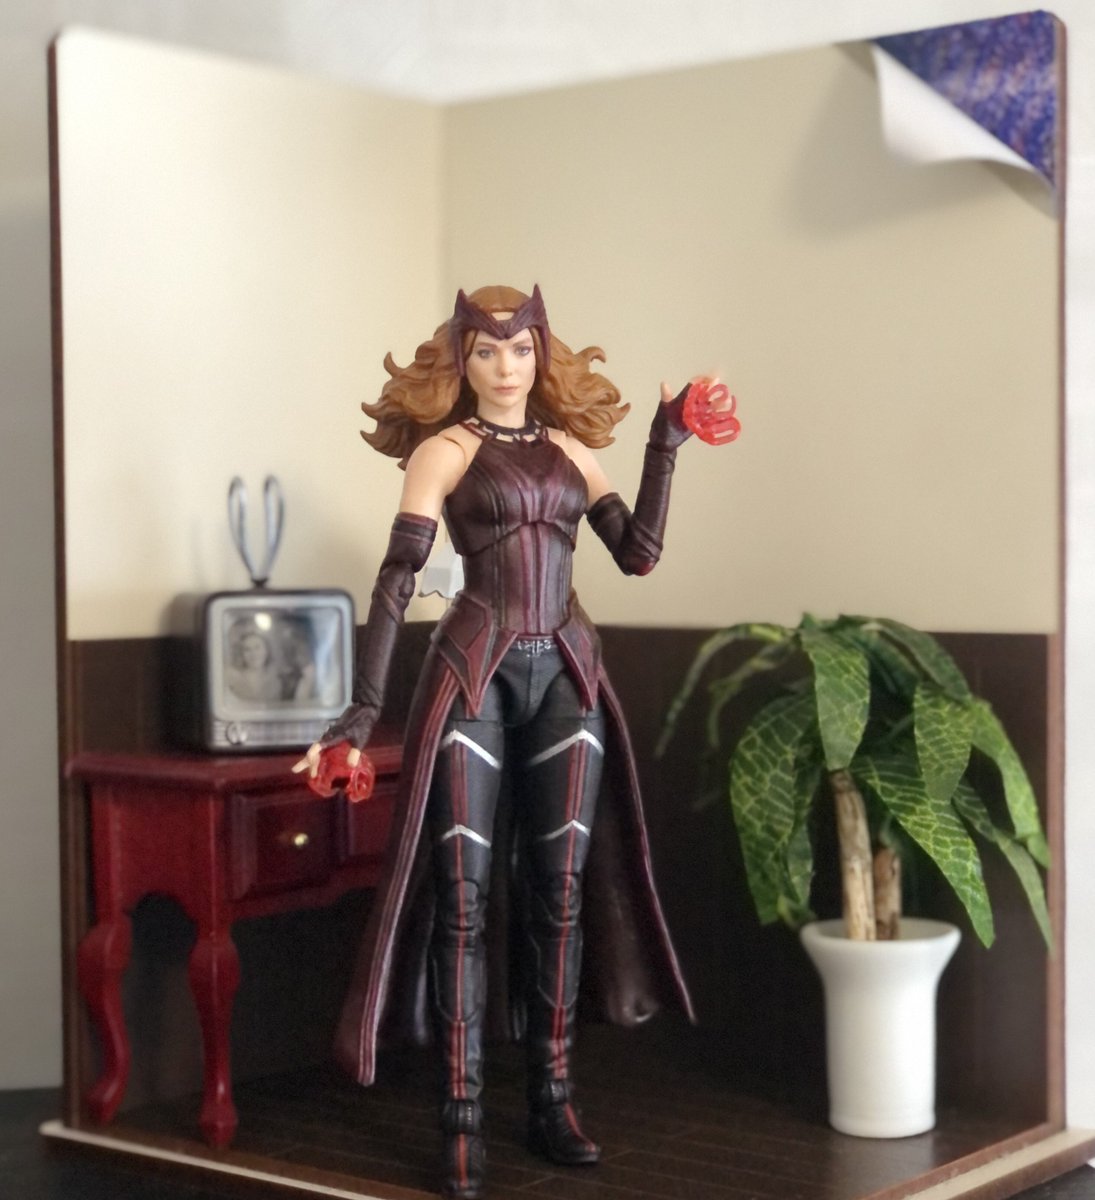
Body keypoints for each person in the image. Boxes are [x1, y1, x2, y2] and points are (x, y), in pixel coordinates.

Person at [296, 284, 696, 1200]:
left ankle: (552, 1100)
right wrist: (362, 710)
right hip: (472, 671)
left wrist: (663, 446)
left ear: (539, 354)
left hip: (567, 673)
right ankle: (460, 1115)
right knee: (462, 898)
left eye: (519, 349)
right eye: (485, 350)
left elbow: (637, 554)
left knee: (561, 892)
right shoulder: (443, 451)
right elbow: (398, 578)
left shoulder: (571, 451)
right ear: (463, 358)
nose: (505, 366)